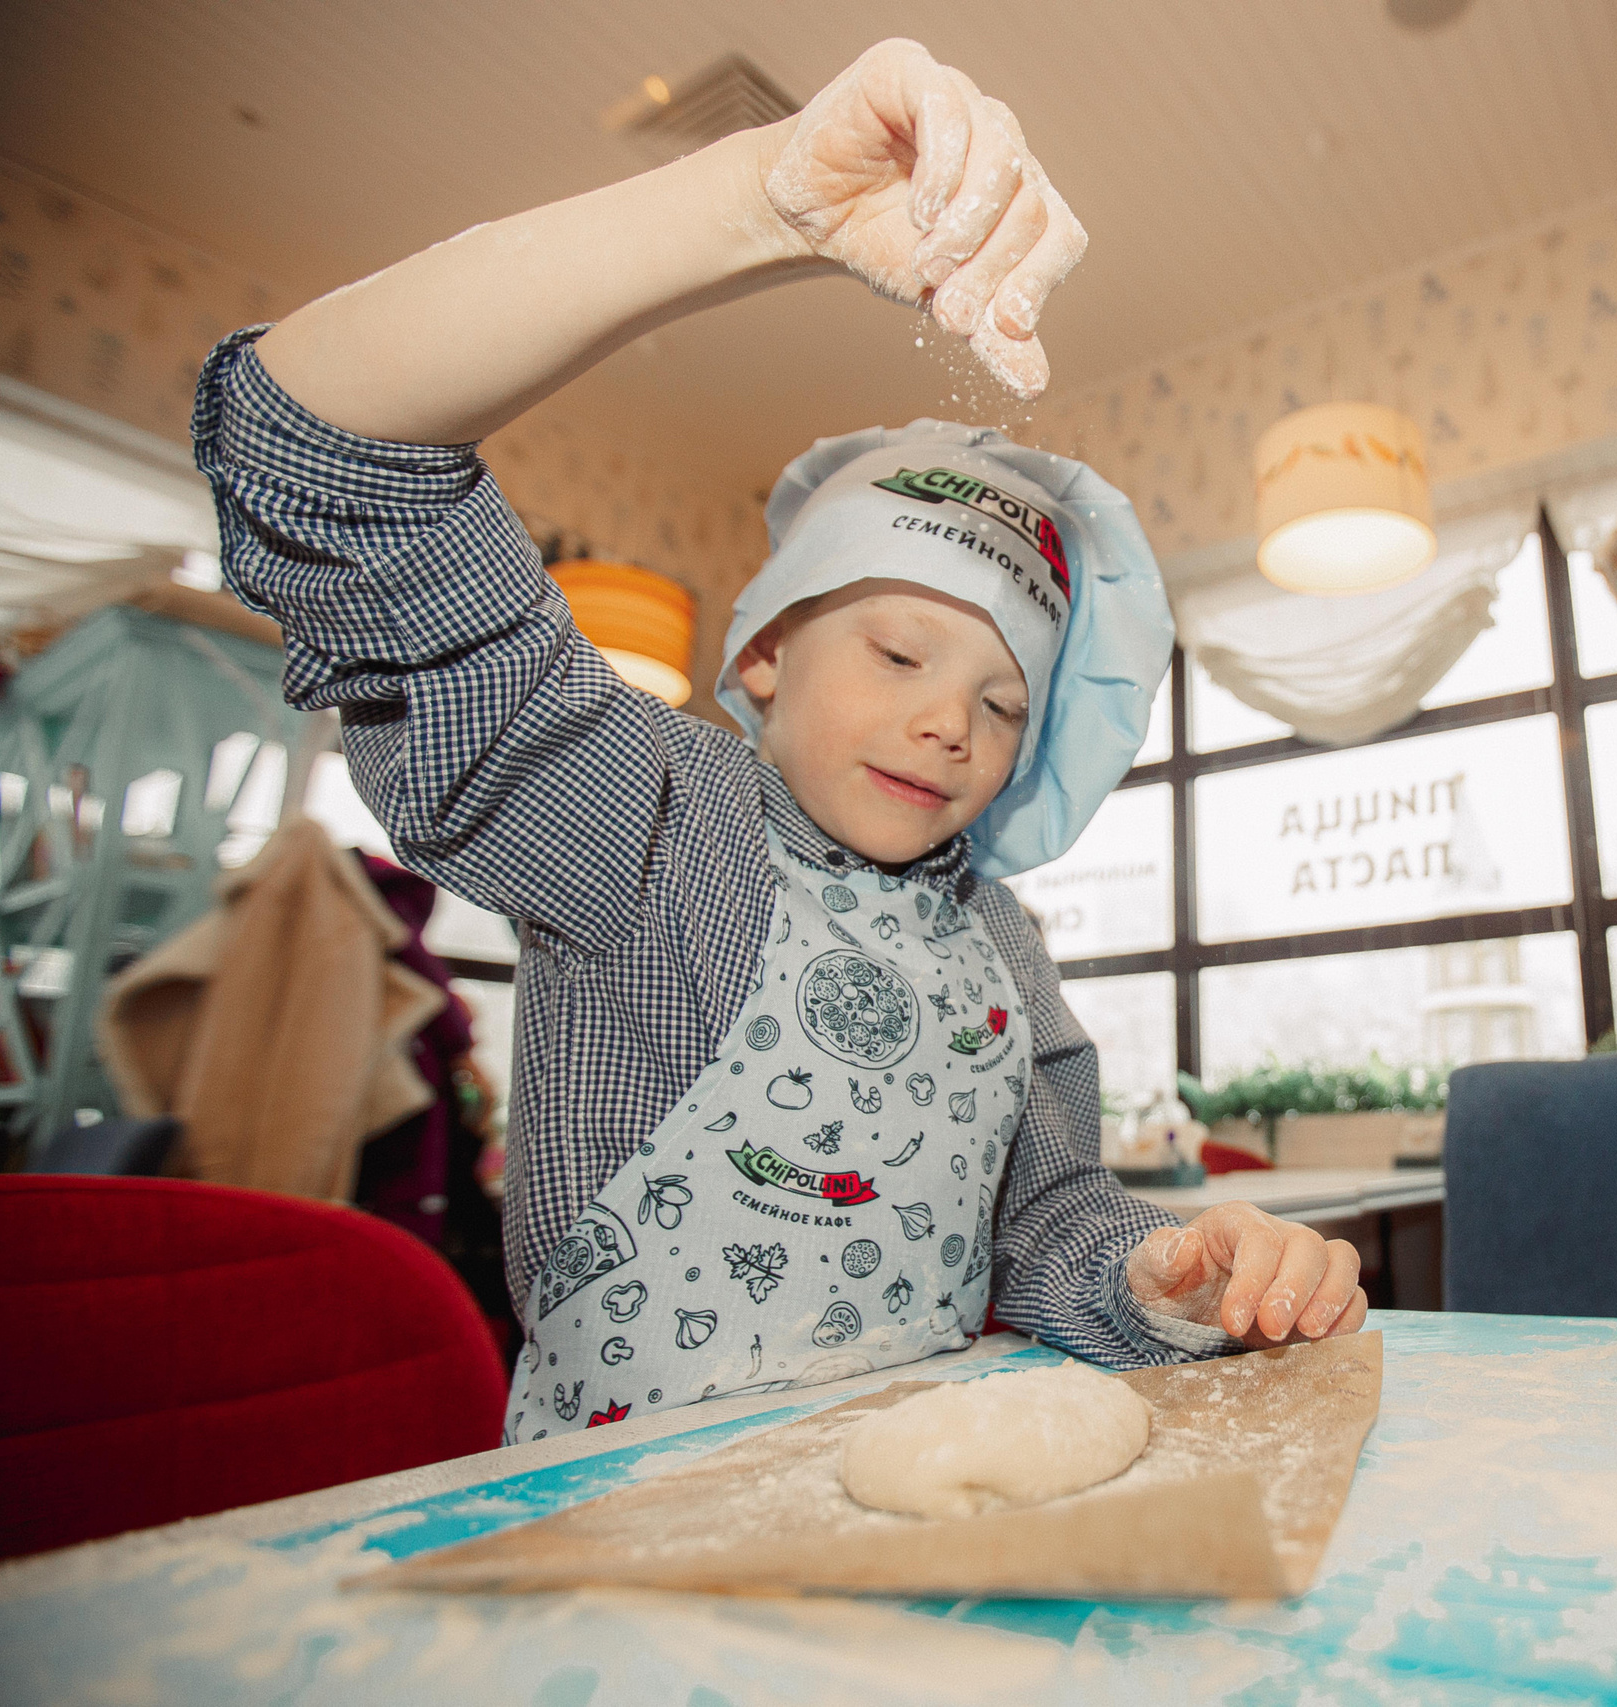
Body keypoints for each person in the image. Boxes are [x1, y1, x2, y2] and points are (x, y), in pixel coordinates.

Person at [192, 39, 1365, 1440]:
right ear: (761, 652)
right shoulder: (647, 818)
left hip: (909, 1532)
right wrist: (752, 196)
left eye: (1005, 704)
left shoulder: (1001, 943)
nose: (951, 719)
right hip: (621, 1537)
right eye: (897, 652)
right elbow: (308, 442)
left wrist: (1163, 1270)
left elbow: (1046, 1230)